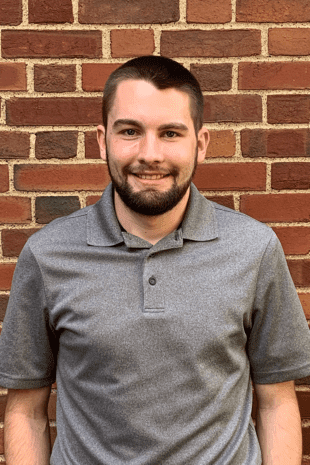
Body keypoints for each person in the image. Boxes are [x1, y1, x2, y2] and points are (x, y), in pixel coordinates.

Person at [0, 55, 310, 465]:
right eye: (130, 131)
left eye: (170, 133)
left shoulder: (254, 248)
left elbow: (276, 402)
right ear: (101, 139)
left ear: (200, 143)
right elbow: (25, 410)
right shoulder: (48, 254)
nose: (150, 154)